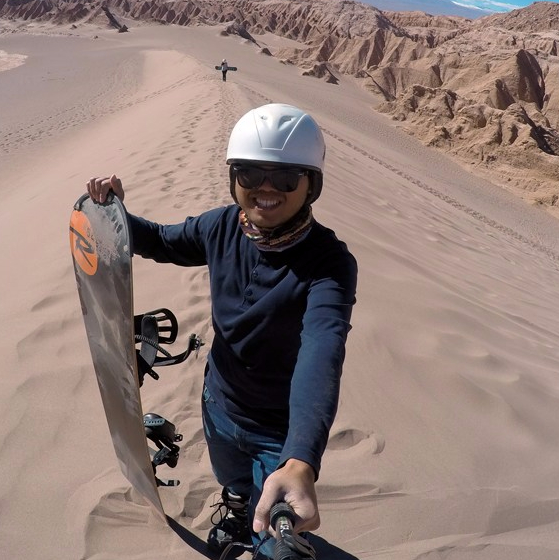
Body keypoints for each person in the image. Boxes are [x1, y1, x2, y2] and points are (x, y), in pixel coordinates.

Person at [87, 103, 357, 558]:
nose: (266, 188)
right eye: (250, 174)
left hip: (280, 432)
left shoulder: (329, 264)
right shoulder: (221, 227)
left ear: (311, 185)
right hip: (220, 402)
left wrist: (300, 461)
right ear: (234, 178)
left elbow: (322, 349)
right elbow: (161, 240)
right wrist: (114, 217)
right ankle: (235, 505)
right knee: (232, 479)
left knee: (277, 543)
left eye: (287, 177)